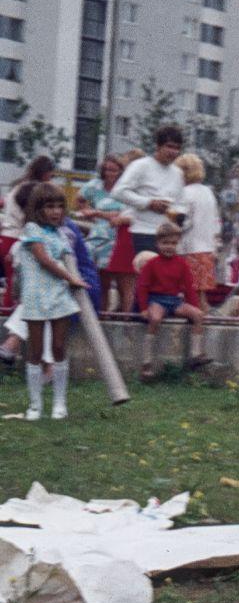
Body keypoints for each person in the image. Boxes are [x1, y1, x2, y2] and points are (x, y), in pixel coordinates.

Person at [18, 183, 86, 421]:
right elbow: (44, 260)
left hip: (59, 296)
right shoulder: (31, 228)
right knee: (35, 351)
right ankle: (35, 405)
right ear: (38, 208)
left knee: (58, 347)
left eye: (59, 206)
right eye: (49, 206)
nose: (56, 211)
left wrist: (75, 279)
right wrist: (71, 278)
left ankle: (60, 403)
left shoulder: (60, 234)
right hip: (35, 297)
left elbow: (68, 259)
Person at [135, 221, 209, 379]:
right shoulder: (151, 264)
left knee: (198, 315)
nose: (169, 247)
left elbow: (189, 287)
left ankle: (196, 355)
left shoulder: (181, 264)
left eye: (173, 243)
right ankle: (146, 363)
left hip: (174, 300)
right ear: (157, 244)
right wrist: (143, 308)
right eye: (165, 243)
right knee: (154, 319)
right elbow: (142, 286)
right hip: (157, 300)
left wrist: (194, 306)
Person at [112, 124, 185, 255]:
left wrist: (177, 213)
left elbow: (180, 203)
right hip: (144, 232)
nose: (173, 152)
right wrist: (149, 203)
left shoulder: (178, 173)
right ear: (158, 146)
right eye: (169, 146)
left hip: (168, 236)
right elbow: (118, 192)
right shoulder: (141, 166)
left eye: (177, 148)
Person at [76, 155, 136, 312]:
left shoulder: (125, 189)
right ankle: (102, 312)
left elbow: (125, 214)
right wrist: (85, 210)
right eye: (107, 169)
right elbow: (80, 198)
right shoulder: (96, 185)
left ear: (121, 171)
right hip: (99, 233)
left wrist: (97, 212)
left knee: (123, 280)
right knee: (102, 280)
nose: (110, 173)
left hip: (119, 234)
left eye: (114, 170)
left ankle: (125, 315)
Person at [2, 156, 56, 310]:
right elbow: (31, 216)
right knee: (19, 281)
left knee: (12, 280)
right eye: (50, 175)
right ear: (45, 173)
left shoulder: (18, 186)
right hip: (17, 237)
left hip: (7, 235)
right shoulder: (33, 189)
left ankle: (8, 312)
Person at [175, 153, 221, 314]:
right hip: (206, 248)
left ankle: (199, 327)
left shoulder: (185, 193)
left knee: (191, 294)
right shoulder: (208, 192)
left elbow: (183, 221)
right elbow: (216, 221)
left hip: (189, 248)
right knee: (201, 294)